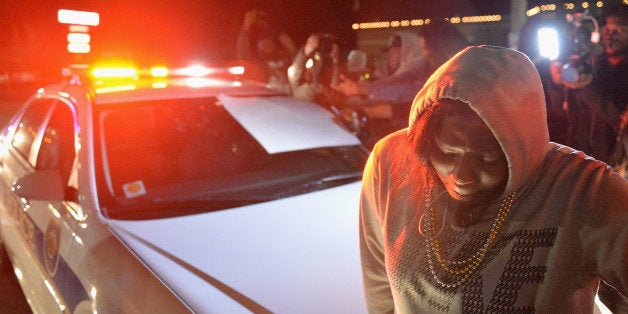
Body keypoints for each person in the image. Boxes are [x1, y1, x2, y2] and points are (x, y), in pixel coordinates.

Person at [359, 45, 627, 313]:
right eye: (447, 152)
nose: (462, 175)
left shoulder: (584, 190)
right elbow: (379, 286)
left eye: (487, 159)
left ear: (523, 149)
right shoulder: (392, 161)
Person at [545, 4, 627, 176]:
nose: (610, 34)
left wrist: (586, 88)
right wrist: (557, 85)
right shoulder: (593, 66)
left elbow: (620, 120)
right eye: (606, 27)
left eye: (619, 28)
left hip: (614, 173)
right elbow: (563, 112)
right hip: (580, 169)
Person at [332, 31, 425, 118]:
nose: (390, 55)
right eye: (390, 51)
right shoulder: (387, 74)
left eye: (396, 51)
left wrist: (361, 90)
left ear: (409, 52)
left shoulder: (416, 73)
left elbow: (398, 94)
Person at [236, 9, 296, 94]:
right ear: (259, 46)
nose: (268, 44)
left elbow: (299, 68)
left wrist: (292, 49)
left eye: (270, 42)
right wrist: (245, 28)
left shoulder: (285, 59)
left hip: (288, 102)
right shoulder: (256, 64)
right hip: (267, 103)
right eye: (264, 43)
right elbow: (242, 51)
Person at [287, 32, 341, 105]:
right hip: (304, 107)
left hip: (325, 105)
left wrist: (335, 60)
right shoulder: (304, 58)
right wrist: (306, 51)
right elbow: (294, 78)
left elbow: (336, 85)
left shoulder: (327, 61)